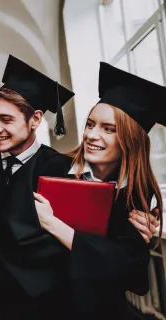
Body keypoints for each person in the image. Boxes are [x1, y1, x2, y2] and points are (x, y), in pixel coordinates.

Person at [34, 62, 164, 319]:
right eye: (90, 124)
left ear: (131, 139)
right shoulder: (51, 167)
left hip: (103, 310)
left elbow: (131, 271)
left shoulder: (137, 192)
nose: (92, 135)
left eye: (109, 129)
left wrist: (54, 224)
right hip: (48, 306)